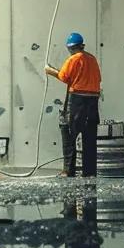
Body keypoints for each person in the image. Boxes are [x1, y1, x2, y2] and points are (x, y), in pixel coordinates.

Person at [44, 32, 102, 177]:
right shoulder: (92, 59)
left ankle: (68, 170)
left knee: (69, 133)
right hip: (93, 102)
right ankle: (89, 172)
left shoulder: (74, 59)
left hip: (77, 101)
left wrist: (50, 71)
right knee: (90, 138)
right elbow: (98, 79)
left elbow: (64, 77)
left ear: (70, 48)